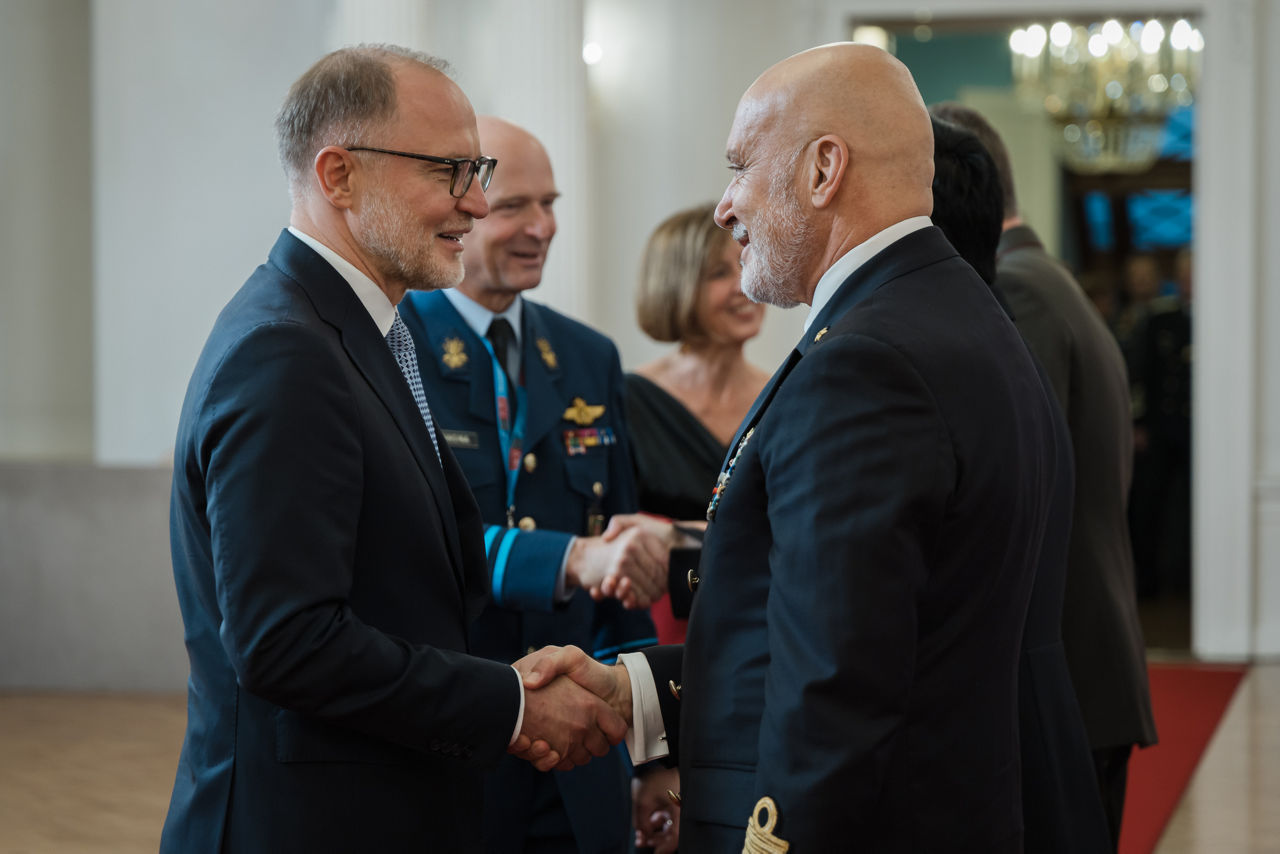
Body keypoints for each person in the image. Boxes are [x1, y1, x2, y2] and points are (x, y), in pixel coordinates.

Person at [524, 43, 1064, 852]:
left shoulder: (866, 362)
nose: (724, 205)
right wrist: (634, 690)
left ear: (823, 171)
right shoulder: (948, 312)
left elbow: (834, 683)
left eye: (740, 166)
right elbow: (823, 628)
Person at [161, 46, 626, 854]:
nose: (477, 203)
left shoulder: (357, 331)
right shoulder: (286, 351)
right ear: (338, 175)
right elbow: (287, 642)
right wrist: (510, 703)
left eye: (476, 169)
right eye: (451, 169)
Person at [398, 116, 665, 854]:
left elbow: (624, 563)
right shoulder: (395, 344)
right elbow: (414, 545)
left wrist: (651, 754)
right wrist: (570, 559)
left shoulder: (585, 356)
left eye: (551, 204)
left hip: (582, 755)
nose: (541, 226)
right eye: (516, 205)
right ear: (465, 206)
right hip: (454, 745)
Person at [932, 102, 1159, 849]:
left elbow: (1016, 487)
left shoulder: (1018, 288)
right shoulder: (1048, 276)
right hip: (1087, 658)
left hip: (1064, 669)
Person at [627, 202, 770, 643]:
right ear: (677, 284)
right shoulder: (625, 399)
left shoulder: (786, 393)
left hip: (764, 620)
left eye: (746, 260)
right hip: (656, 632)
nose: (743, 286)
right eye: (718, 274)